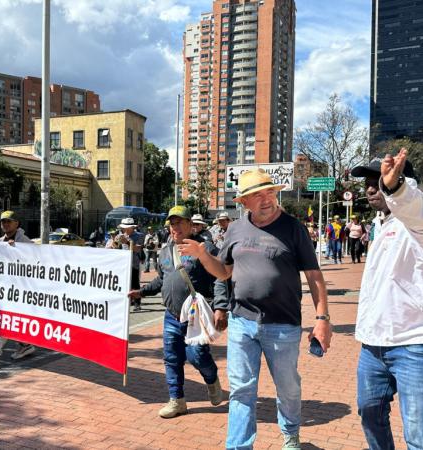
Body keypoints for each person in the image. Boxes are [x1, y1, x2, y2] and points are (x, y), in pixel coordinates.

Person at [179, 169, 332, 450]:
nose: (266, 199)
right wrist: (203, 255)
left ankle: (290, 434)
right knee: (241, 390)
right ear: (244, 202)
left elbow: (314, 276)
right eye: (257, 195)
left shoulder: (293, 228)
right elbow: (224, 272)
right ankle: (239, 446)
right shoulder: (236, 228)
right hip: (242, 322)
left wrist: (322, 318)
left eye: (270, 192)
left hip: (283, 325)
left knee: (288, 388)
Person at [351, 149, 423, 450]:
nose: (371, 188)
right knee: (369, 414)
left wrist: (397, 189)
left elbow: (417, 210)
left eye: (379, 181)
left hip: (416, 344)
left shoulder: (422, 219)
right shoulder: (380, 223)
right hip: (373, 345)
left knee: (420, 435)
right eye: (368, 182)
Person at [128, 205, 223, 418]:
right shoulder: (165, 250)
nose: (175, 227)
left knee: (197, 355)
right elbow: (162, 279)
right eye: (172, 223)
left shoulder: (205, 248)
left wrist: (220, 307)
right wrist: (141, 292)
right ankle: (177, 400)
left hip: (195, 317)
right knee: (172, 358)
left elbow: (220, 277)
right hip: (171, 315)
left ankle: (212, 379)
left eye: (180, 222)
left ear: (191, 225)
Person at [0, 211, 36, 370]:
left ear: (17, 223)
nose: (5, 224)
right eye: (3, 222)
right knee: (11, 320)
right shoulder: (1, 241)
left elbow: (35, 261)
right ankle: (25, 345)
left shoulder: (25, 241)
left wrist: (17, 250)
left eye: (9, 221)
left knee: (5, 321)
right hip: (6, 290)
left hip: (21, 291)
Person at [117, 218, 145, 311]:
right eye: (124, 228)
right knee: (124, 284)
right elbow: (117, 248)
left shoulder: (139, 236)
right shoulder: (121, 236)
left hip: (134, 264)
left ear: (133, 227)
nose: (125, 230)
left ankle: (137, 303)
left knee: (135, 284)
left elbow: (138, 249)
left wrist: (127, 242)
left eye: (127, 228)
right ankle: (127, 301)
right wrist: (115, 243)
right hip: (123, 264)